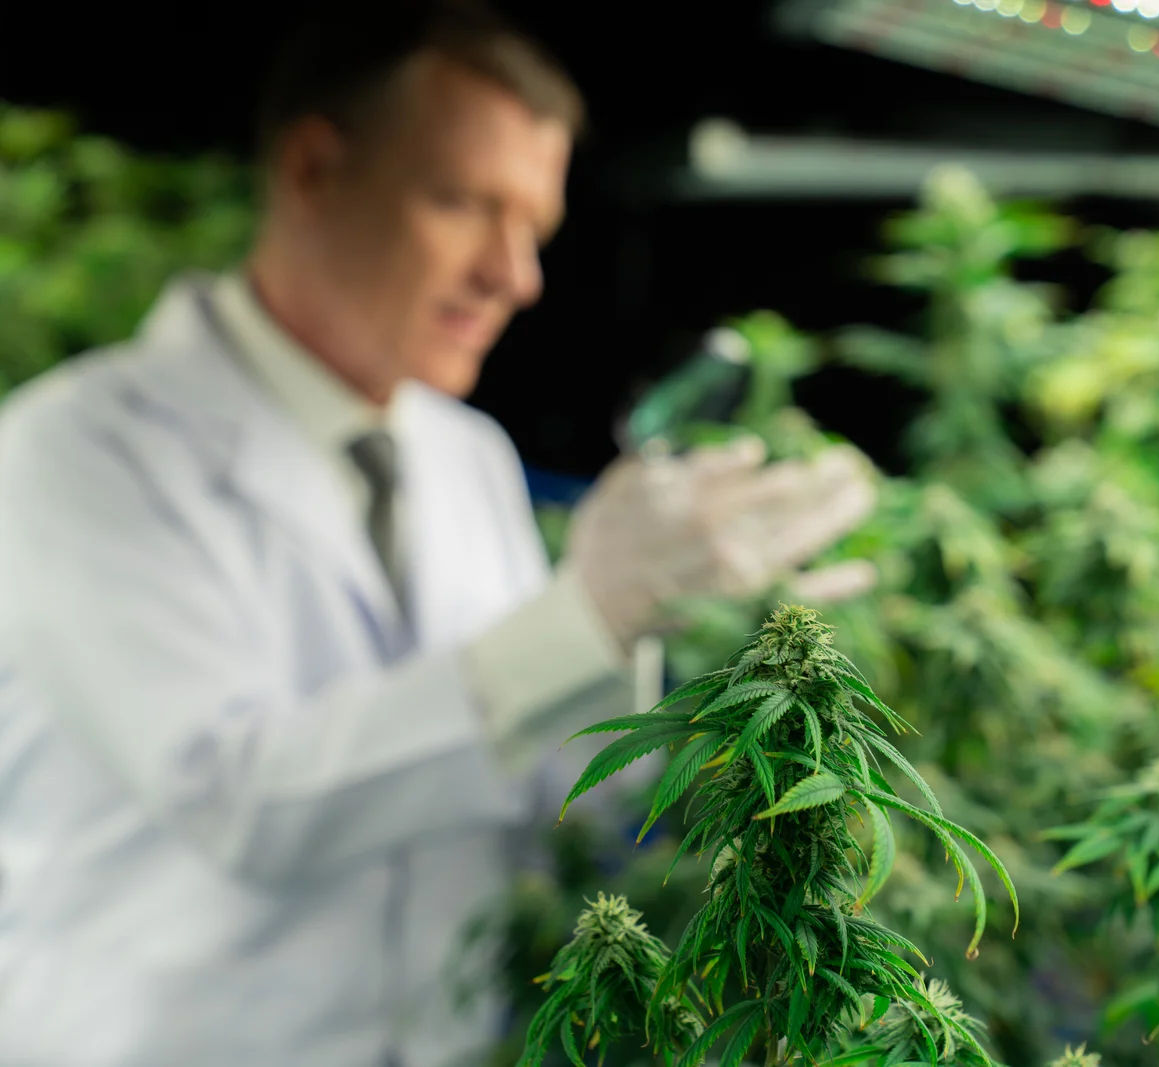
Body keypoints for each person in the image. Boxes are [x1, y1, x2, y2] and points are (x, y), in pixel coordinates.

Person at [0, 2, 876, 1065]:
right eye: (467, 204)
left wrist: (705, 657)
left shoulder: (467, 457)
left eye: (534, 228)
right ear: (313, 170)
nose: (517, 276)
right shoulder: (76, 449)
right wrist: (588, 610)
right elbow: (238, 797)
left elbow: (545, 794)